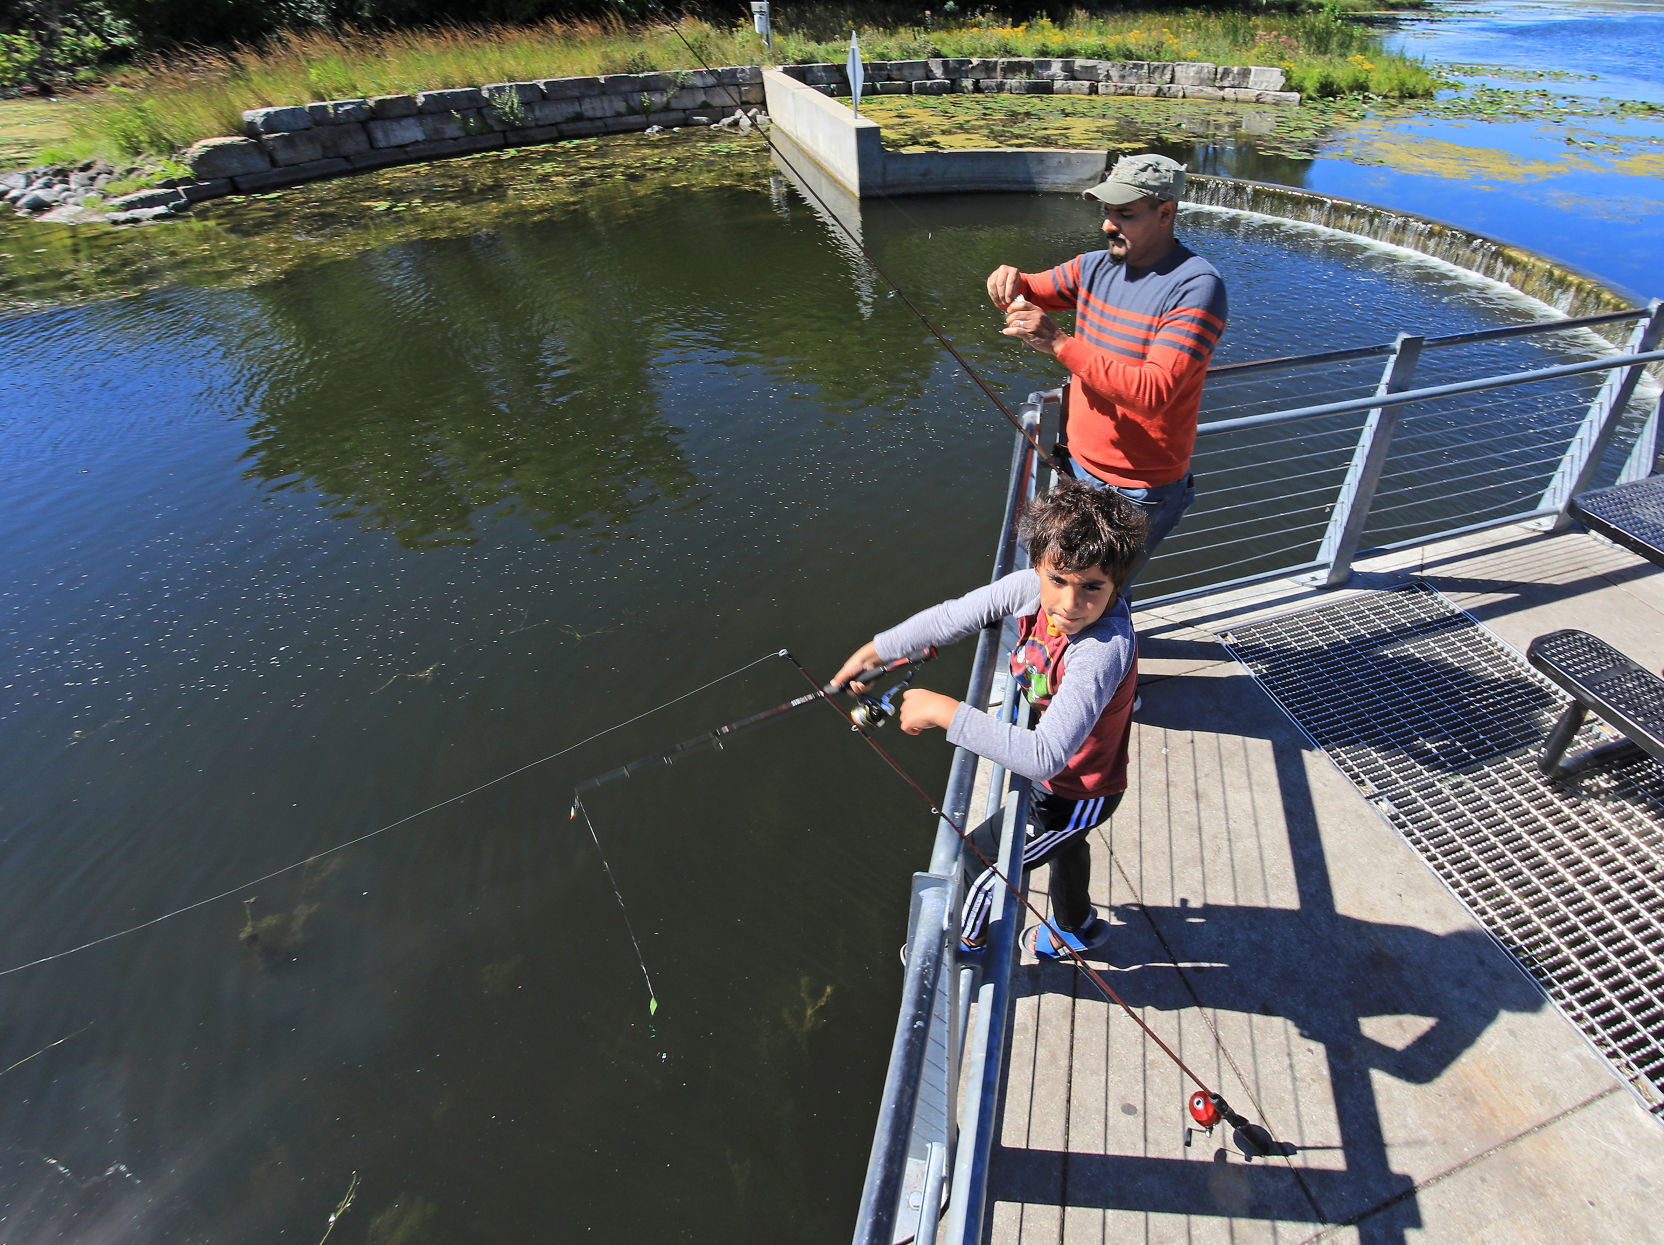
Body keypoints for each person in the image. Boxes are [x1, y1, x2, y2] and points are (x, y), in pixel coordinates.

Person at [831, 482, 1147, 960]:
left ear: (1116, 585)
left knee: (981, 865)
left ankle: (960, 949)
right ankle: (1077, 925)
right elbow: (954, 616)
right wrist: (878, 650)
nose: (1068, 603)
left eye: (1092, 588)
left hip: (1077, 790)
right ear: (1038, 564)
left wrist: (943, 710)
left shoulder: (1100, 652)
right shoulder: (1029, 590)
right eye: (1057, 580)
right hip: (1062, 774)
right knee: (1066, 849)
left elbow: (1043, 756)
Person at [987, 152, 1228, 583]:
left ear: (1165, 214)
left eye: (1125, 214)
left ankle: (1107, 652)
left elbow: (1153, 394)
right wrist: (1009, 279)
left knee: (1096, 597)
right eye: (1107, 211)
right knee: (1066, 584)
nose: (1107, 224)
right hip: (1078, 468)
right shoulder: (1095, 267)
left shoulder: (1196, 287)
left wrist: (1060, 343)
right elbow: (1032, 287)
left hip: (1138, 489)